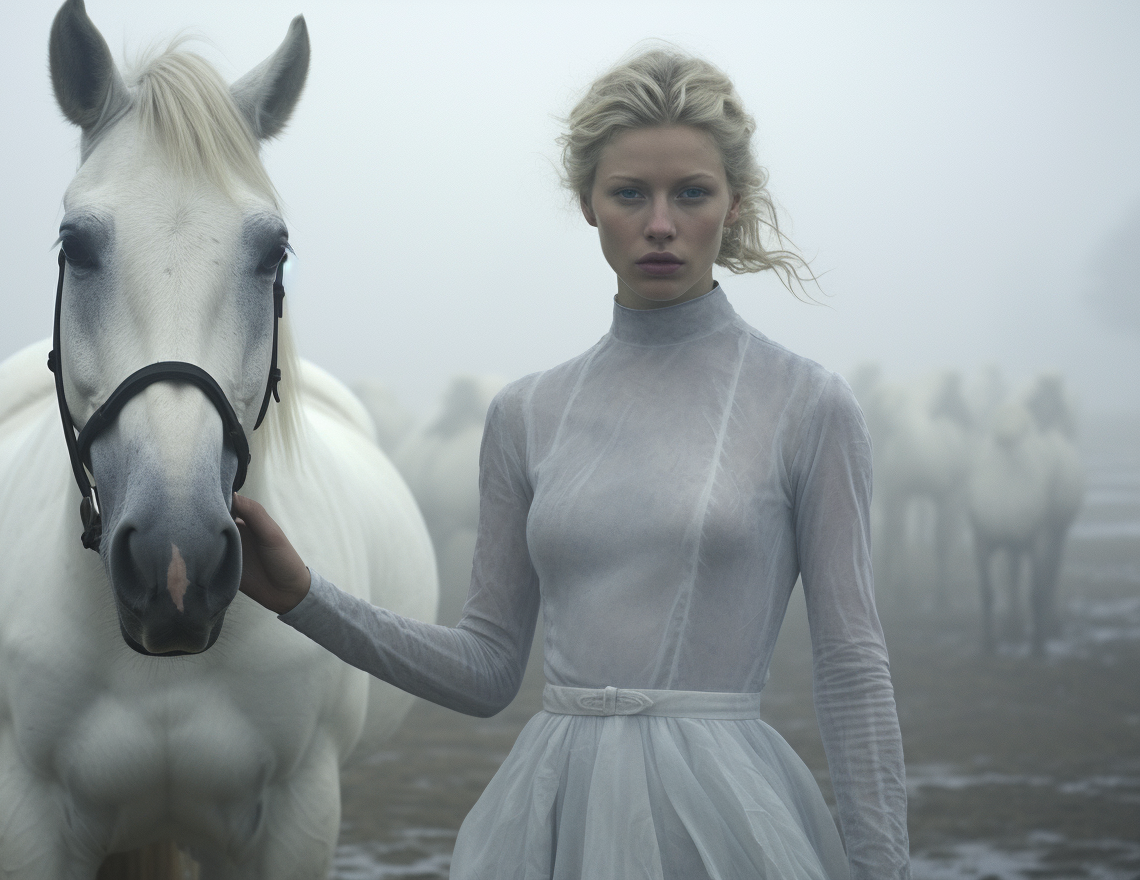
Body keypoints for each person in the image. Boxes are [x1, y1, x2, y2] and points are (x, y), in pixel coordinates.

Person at [232, 47, 910, 880]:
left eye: (690, 192)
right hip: (550, 819)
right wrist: (304, 596)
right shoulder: (527, 413)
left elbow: (851, 666)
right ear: (589, 203)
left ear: (733, 204)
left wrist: (885, 867)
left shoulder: (808, 405)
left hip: (732, 827)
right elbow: (486, 669)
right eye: (630, 193)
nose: (660, 222)